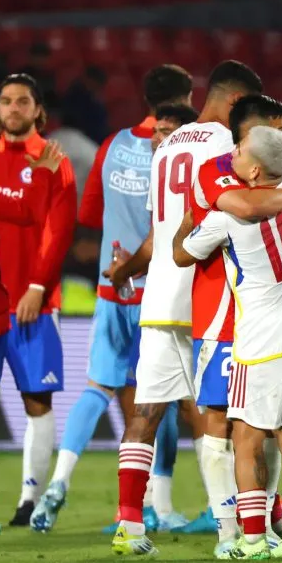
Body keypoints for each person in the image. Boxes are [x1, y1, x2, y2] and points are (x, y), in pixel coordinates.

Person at [106, 61, 282, 556]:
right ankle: (235, 530)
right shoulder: (226, 148)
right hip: (212, 295)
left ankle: (129, 524)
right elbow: (239, 207)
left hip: (160, 293)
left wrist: (126, 270)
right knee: (232, 418)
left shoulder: (168, 146)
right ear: (237, 102)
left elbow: (161, 231)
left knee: (146, 410)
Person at [30, 66, 197, 534]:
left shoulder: (112, 145)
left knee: (97, 386)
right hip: (160, 292)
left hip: (110, 289)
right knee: (159, 395)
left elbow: (90, 215)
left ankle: (58, 483)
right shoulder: (186, 153)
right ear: (184, 99)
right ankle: (160, 506)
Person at [173, 126, 282, 560]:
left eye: (239, 151)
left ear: (254, 169)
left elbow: (182, 255)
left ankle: (253, 539)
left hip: (259, 343)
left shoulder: (227, 218)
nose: (231, 155)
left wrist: (191, 215)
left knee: (246, 441)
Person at [0, 73, 77, 526]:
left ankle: (29, 500)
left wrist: (38, 286)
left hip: (32, 303)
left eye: (22, 101)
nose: (13, 108)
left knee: (37, 400)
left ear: (38, 110)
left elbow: (58, 230)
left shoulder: (53, 160)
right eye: (5, 101)